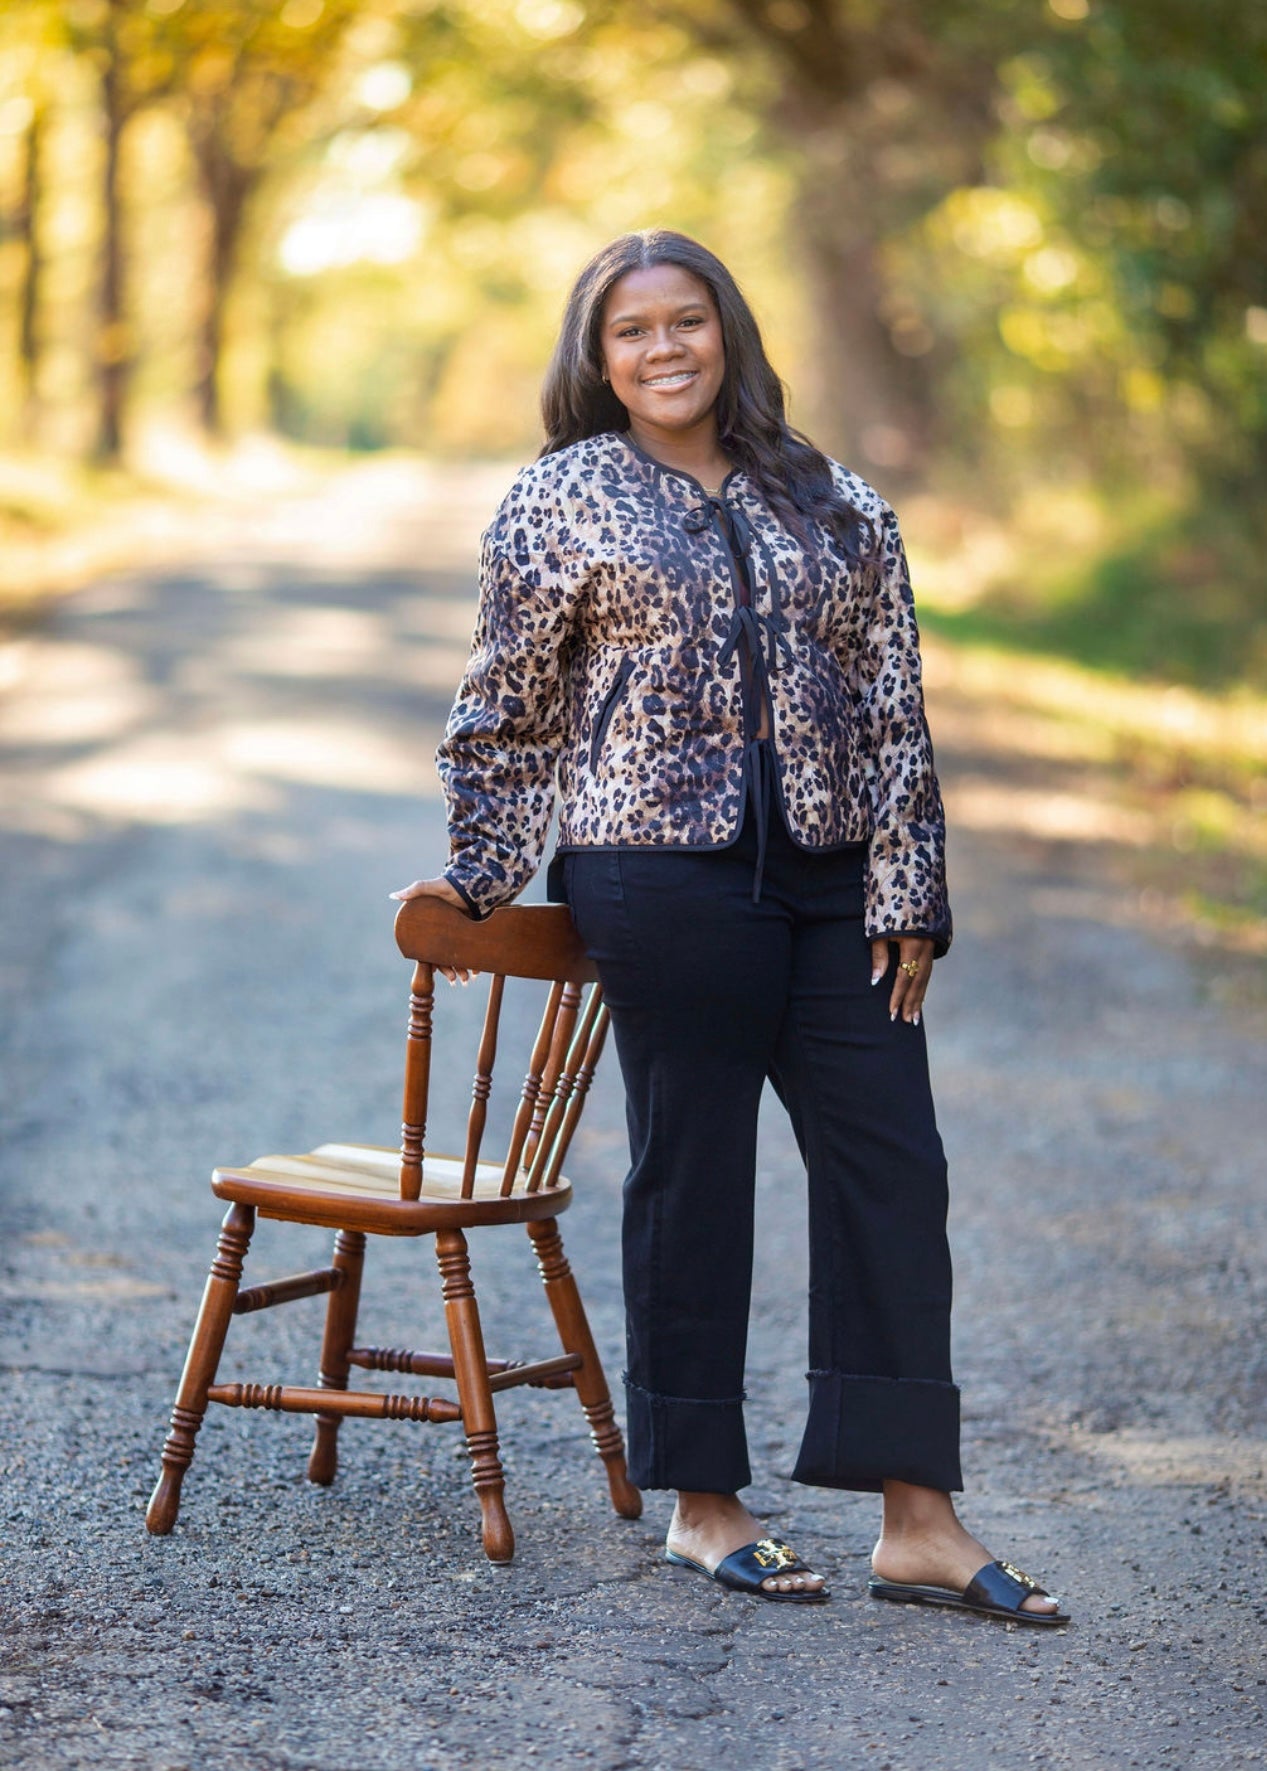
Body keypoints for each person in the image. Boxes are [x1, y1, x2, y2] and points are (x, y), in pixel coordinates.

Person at [392, 229, 1068, 1625]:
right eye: (631, 331)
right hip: (660, 879)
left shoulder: (832, 499)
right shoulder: (559, 500)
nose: (662, 350)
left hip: (832, 889)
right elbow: (507, 707)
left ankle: (918, 1521)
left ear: (729, 333)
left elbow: (893, 705)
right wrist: (478, 875)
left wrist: (909, 890)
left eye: (685, 322)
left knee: (894, 1170)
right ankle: (703, 1504)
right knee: (692, 1178)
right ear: (598, 357)